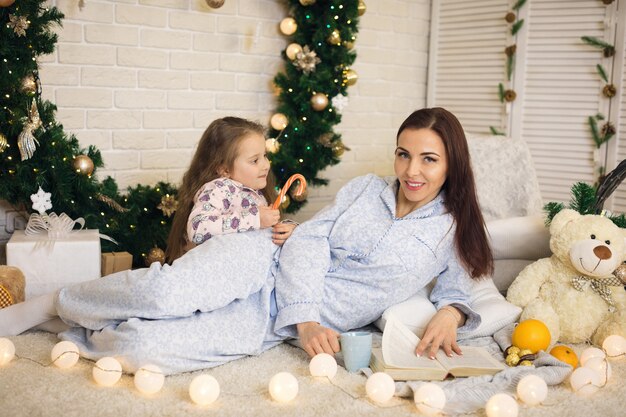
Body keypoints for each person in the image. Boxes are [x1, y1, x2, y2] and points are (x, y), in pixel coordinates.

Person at [0, 108, 492, 374]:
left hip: (271, 321)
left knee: (143, 351)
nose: (411, 170)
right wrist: (306, 318)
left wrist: (451, 313)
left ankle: (79, 326)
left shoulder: (451, 228)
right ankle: (54, 302)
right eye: (404, 154)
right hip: (264, 259)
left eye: (429, 159)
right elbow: (306, 240)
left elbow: (460, 286)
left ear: (451, 164)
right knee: (167, 292)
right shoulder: (365, 190)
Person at [165, 116, 297, 264]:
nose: (266, 165)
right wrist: (255, 218)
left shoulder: (255, 193)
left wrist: (287, 231)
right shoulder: (219, 189)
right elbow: (198, 229)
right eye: (254, 160)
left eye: (265, 156)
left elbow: (262, 234)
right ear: (224, 169)